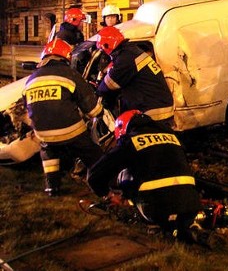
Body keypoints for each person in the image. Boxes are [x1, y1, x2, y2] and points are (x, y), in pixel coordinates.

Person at [87, 110, 202, 242]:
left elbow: (94, 175)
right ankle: (184, 226)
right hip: (191, 205)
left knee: (124, 175)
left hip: (156, 209)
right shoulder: (173, 137)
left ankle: (153, 224)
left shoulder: (130, 141)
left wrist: (108, 194)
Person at [22, 38, 104, 196]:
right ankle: (103, 181)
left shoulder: (31, 79)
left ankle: (52, 187)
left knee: (48, 151)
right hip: (70, 130)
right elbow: (92, 108)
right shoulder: (70, 74)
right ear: (66, 57)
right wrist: (99, 113)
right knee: (91, 151)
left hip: (42, 132)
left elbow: (28, 105)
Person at [95, 26, 175, 128]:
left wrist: (97, 91)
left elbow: (109, 85)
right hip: (160, 105)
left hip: (153, 111)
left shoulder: (125, 58)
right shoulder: (131, 51)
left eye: (102, 49)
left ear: (106, 46)